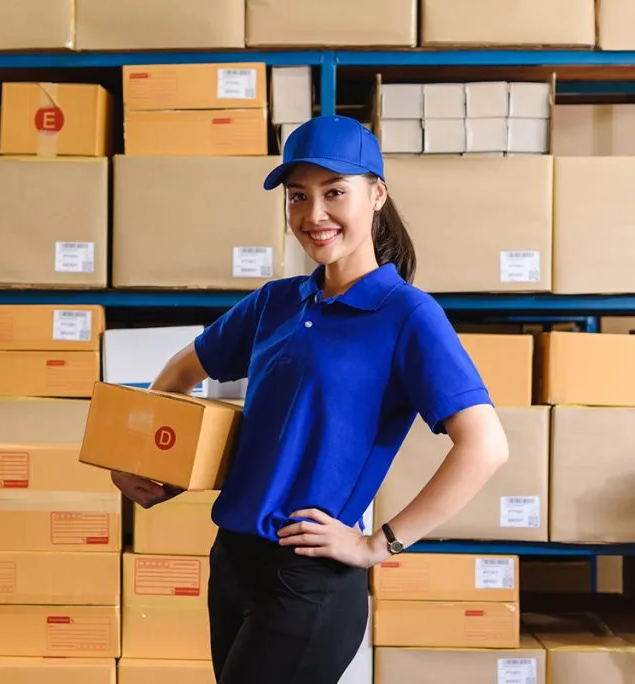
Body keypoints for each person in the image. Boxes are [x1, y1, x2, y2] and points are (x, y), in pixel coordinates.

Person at [110, 115, 510, 684]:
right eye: (299, 196)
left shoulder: (407, 315)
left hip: (310, 579)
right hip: (231, 562)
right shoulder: (274, 303)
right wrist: (148, 461)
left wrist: (380, 544)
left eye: (334, 192)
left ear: (377, 195)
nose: (314, 214)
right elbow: (179, 371)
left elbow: (486, 446)